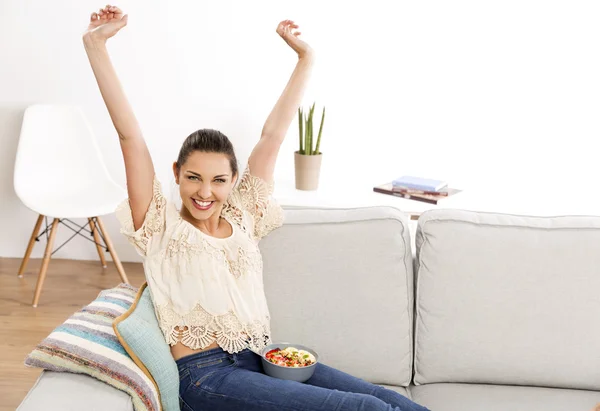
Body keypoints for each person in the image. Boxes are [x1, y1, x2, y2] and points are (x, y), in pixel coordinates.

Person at [83, 5, 431, 411]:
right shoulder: (160, 225)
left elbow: (274, 135)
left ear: (234, 181)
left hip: (267, 359)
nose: (204, 192)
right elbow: (130, 137)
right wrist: (96, 46)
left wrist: (306, 58)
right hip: (207, 375)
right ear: (177, 173)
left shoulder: (244, 214)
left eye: (218, 180)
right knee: (366, 410)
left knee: (389, 400)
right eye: (193, 177)